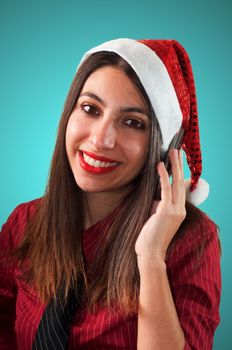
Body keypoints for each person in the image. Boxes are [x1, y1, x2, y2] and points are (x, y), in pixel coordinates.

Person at [0, 38, 221, 350]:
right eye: (90, 109)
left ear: (162, 147)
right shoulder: (24, 221)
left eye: (133, 122)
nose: (101, 139)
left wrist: (151, 257)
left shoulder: (192, 240)